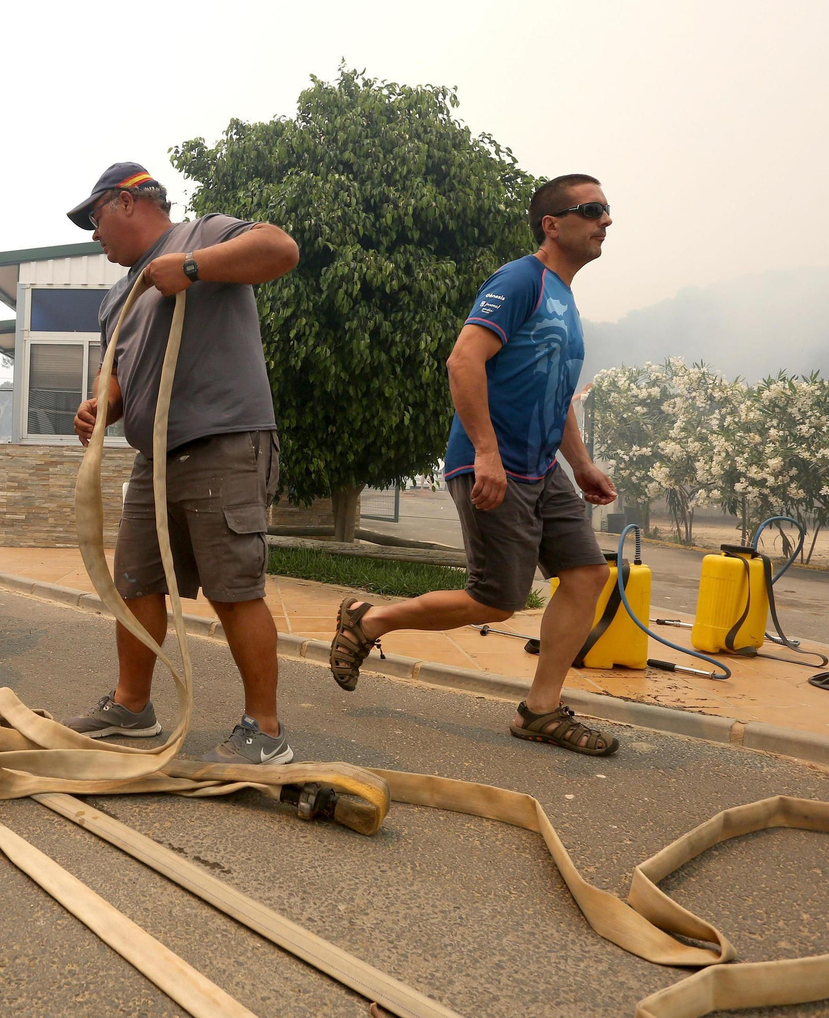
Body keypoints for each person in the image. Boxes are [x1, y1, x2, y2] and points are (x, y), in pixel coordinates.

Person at [329, 174, 623, 756]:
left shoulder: (564, 297)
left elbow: (554, 391)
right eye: (591, 211)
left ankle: (540, 711)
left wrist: (582, 464)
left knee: (588, 576)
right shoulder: (520, 280)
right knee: (495, 599)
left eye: (607, 211)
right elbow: (463, 361)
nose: (605, 222)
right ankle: (370, 621)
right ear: (552, 224)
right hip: (497, 463)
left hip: (543, 467)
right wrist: (486, 453)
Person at [59, 162, 301, 766]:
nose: (94, 236)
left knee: (233, 588)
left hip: (224, 440)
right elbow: (116, 374)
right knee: (135, 582)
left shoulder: (204, 234)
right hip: (154, 458)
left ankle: (264, 732)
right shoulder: (118, 295)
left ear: (126, 201)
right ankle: (132, 706)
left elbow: (281, 249)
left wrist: (193, 267)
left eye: (95, 220)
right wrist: (100, 406)